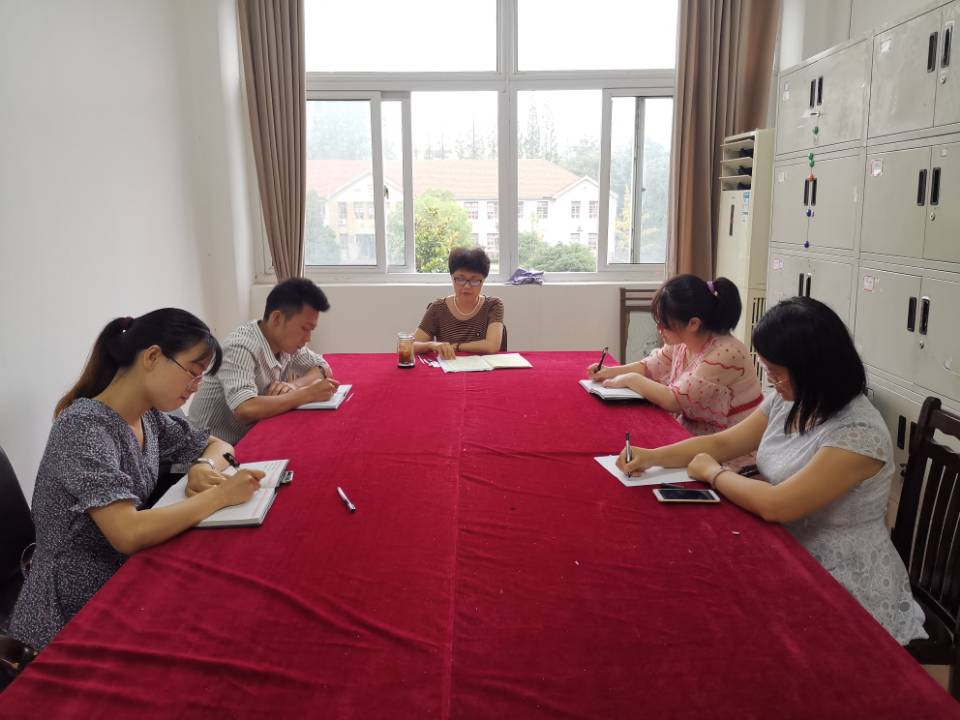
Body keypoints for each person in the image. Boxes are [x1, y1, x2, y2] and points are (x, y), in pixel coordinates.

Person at [616, 297, 928, 645]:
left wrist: (714, 474)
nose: (771, 380)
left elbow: (778, 504)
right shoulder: (791, 399)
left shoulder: (859, 434)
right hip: (787, 546)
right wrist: (652, 457)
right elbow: (723, 443)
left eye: (777, 372)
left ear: (813, 368)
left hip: (842, 578)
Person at [9, 309, 262, 651]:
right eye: (192, 372)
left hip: (122, 574)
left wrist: (202, 465)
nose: (196, 386)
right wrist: (220, 496)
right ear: (153, 357)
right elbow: (128, 533)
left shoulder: (147, 418)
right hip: (70, 610)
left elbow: (218, 445)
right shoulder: (82, 428)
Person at [588, 275, 762, 437]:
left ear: (693, 324)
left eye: (663, 323)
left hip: (727, 445)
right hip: (696, 436)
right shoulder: (684, 341)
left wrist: (629, 379)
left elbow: (673, 400)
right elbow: (649, 366)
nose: (658, 328)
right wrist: (609, 372)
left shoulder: (726, 354)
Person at [189, 278, 339, 444]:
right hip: (208, 449)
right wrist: (306, 394)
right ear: (277, 318)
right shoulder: (240, 347)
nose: (308, 338)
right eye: (304, 328)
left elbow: (323, 368)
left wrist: (294, 385)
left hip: (250, 436)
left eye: (311, 330)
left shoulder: (285, 343)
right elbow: (244, 408)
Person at [414, 247, 504, 360]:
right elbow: (409, 346)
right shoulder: (438, 308)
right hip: (449, 367)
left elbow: (492, 346)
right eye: (460, 279)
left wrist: (457, 346)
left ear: (483, 280)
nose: (467, 286)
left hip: (484, 368)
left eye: (474, 280)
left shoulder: (493, 305)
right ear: (452, 278)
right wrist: (431, 345)